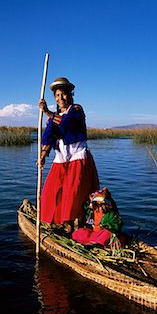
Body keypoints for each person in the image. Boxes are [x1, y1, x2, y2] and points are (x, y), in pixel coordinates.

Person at [38, 77, 99, 232]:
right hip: (61, 158)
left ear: (70, 94)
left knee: (73, 194)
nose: (61, 98)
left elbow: (67, 123)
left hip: (77, 157)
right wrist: (44, 154)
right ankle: (58, 222)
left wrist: (47, 113)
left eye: (63, 94)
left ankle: (70, 225)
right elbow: (50, 137)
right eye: (57, 96)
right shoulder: (54, 117)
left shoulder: (77, 110)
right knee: (51, 192)